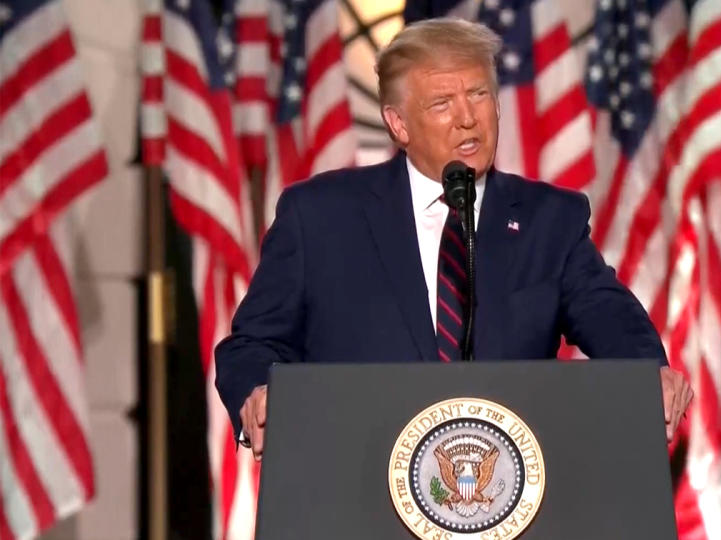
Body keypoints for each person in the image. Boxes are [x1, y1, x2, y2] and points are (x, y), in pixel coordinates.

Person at [215, 18, 693, 461]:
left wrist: (648, 372)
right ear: (398, 124)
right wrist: (260, 391)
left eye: (479, 94)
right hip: (353, 482)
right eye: (442, 104)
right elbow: (251, 344)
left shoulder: (550, 220)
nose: (468, 119)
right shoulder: (319, 216)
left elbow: (610, 316)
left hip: (507, 490)